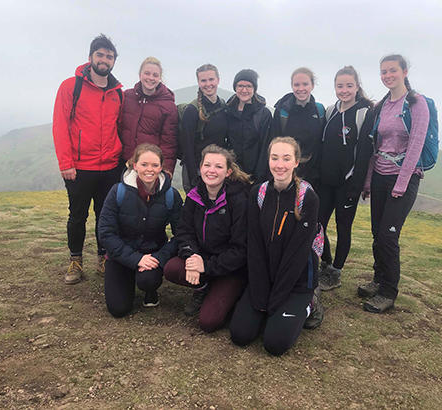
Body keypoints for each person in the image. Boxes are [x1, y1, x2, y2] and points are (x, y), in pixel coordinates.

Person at [230, 137, 321, 356]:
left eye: (286, 158)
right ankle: (270, 308)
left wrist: (276, 299)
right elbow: (255, 245)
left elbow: (297, 255)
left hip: (296, 281)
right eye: (274, 158)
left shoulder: (307, 197)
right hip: (265, 276)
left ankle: (312, 302)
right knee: (240, 335)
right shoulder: (258, 193)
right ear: (268, 160)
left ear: (296, 162)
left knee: (275, 344)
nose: (280, 164)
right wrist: (261, 292)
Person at [357, 55, 430, 313]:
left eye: (392, 71)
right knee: (378, 233)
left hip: (404, 178)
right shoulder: (382, 105)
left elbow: (416, 145)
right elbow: (375, 148)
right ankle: (378, 279)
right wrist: (368, 181)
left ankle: (388, 291)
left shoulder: (416, 104)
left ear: (404, 71)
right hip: (379, 176)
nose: (387, 75)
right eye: (383, 72)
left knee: (388, 236)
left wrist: (401, 183)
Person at [52, 34, 124, 284]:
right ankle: (75, 260)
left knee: (105, 216)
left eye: (109, 56)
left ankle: (103, 258)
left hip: (110, 167)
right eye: (100, 55)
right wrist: (65, 163)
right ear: (90, 57)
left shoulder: (118, 92)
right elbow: (60, 126)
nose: (105, 60)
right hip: (80, 168)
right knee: (77, 216)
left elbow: (120, 127)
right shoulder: (71, 87)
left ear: (114, 61)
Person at [164, 145, 250, 332]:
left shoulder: (239, 199)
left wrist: (207, 266)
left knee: (208, 322)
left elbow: (241, 249)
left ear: (228, 172)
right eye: (207, 165)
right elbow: (184, 232)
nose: (211, 170)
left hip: (231, 269)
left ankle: (231, 293)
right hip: (203, 260)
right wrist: (192, 257)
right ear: (200, 167)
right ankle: (203, 286)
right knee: (171, 268)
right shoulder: (194, 196)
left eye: (218, 167)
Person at [98, 144, 182, 317]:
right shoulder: (117, 192)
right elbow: (106, 232)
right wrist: (135, 259)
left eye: (154, 165)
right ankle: (128, 277)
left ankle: (150, 290)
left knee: (148, 280)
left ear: (161, 167)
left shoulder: (171, 195)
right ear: (134, 165)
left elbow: (181, 234)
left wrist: (159, 258)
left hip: (152, 255)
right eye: (144, 164)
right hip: (120, 255)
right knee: (118, 309)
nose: (149, 170)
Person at [318, 66, 374, 291]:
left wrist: (357, 185)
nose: (344, 90)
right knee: (317, 224)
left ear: (357, 86)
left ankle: (336, 272)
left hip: (347, 184)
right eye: (340, 86)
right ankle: (325, 262)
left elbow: (364, 153)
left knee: (344, 227)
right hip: (325, 181)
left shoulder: (364, 113)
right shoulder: (331, 111)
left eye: (349, 85)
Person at [118, 57, 178, 177]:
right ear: (140, 75)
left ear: (160, 78)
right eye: (147, 73)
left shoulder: (168, 105)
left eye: (155, 75)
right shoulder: (127, 97)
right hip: (123, 163)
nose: (151, 78)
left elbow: (169, 141)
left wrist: (166, 170)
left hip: (150, 167)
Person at [270, 67, 325, 188]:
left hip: (312, 172)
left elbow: (321, 142)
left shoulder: (320, 110)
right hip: (286, 170)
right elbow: (275, 141)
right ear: (292, 86)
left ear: (312, 85)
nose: (301, 89)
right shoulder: (282, 110)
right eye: (296, 85)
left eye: (305, 84)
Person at [180, 64, 229, 192]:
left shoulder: (224, 107)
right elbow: (187, 147)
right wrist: (194, 177)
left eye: (211, 79)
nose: (208, 84)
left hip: (217, 170)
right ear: (198, 82)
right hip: (196, 170)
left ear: (218, 80)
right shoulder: (192, 111)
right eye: (203, 80)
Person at [226, 69, 273, 183]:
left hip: (256, 176)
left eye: (248, 86)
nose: (244, 90)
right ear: (235, 88)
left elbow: (265, 147)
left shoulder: (263, 114)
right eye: (240, 85)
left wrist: (260, 176)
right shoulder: (228, 111)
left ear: (254, 89)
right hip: (232, 174)